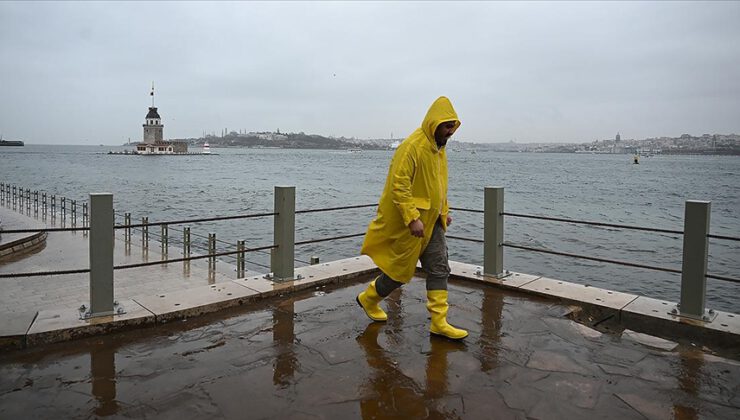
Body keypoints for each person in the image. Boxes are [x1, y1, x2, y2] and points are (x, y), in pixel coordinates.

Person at [356, 96, 468, 340]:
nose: (450, 132)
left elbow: (439, 186)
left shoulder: (439, 151)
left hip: (433, 223)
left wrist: (444, 213)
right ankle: (369, 298)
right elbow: (399, 185)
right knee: (399, 272)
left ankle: (439, 322)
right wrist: (411, 218)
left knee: (439, 267)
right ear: (434, 123)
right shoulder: (412, 147)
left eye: (453, 127)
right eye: (447, 126)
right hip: (413, 224)